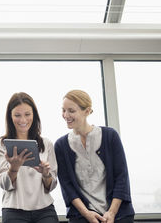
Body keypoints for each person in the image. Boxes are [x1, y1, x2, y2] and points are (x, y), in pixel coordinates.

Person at [54, 90, 134, 223]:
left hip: (117, 214)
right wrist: (87, 214)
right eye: (63, 110)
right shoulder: (61, 145)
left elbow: (122, 176)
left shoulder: (110, 136)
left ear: (87, 111)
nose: (65, 115)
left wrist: (112, 213)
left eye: (71, 111)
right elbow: (67, 186)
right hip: (82, 216)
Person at [0, 92, 59, 223]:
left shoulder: (46, 144)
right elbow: (4, 184)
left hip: (44, 210)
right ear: (10, 117)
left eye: (27, 114)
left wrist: (46, 174)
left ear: (34, 115)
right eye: (17, 115)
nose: (23, 120)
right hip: (14, 210)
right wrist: (14, 168)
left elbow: (51, 186)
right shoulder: (1, 144)